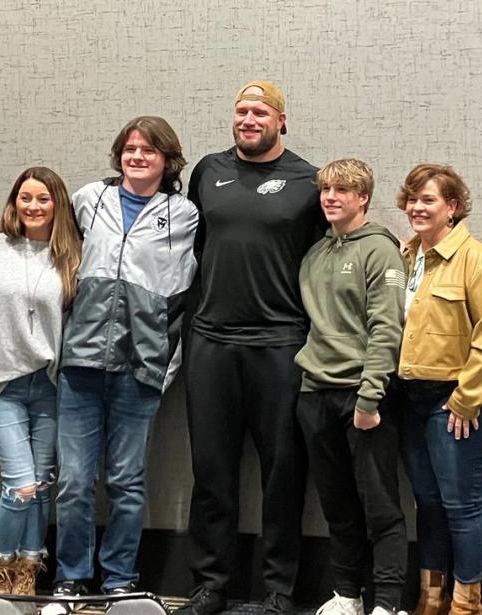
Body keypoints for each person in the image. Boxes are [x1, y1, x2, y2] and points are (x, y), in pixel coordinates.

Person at [178, 80, 324, 615]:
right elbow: (193, 247)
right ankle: (210, 584)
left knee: (283, 472)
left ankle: (280, 591)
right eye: (241, 110)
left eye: (260, 111)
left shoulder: (308, 180)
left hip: (281, 341)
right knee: (211, 470)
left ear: (281, 120)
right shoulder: (208, 171)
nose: (248, 119)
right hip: (211, 340)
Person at [44, 116, 198, 614]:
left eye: (148, 151)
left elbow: (183, 292)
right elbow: (58, 260)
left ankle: (119, 580)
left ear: (166, 160)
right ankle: (70, 579)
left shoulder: (185, 214)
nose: (137, 157)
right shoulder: (90, 198)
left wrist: (167, 360)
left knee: (127, 481)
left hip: (141, 363)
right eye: (130, 149)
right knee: (73, 480)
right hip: (81, 361)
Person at [393, 164, 482, 615]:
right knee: (427, 501)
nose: (417, 208)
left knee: (461, 504)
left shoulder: (477, 260)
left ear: (453, 208)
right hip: (412, 398)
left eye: (429, 200)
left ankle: (467, 603)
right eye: (412, 199)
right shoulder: (404, 257)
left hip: (460, 401)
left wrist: (467, 398)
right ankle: (431, 595)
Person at [294, 159, 407, 615]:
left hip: (363, 397)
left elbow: (387, 327)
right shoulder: (315, 254)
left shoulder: (379, 250)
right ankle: (348, 594)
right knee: (337, 505)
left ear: (363, 198)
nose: (331, 197)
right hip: (313, 392)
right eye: (326, 190)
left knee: (379, 506)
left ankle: (388, 601)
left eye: (343, 190)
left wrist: (369, 395)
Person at [0, 167, 81, 595]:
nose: (33, 206)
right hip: (1, 383)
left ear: (58, 204)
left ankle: (27, 575)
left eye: (43, 199)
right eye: (25, 198)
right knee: (19, 486)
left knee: (40, 489)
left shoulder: (73, 255)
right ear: (14, 202)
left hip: (50, 384)